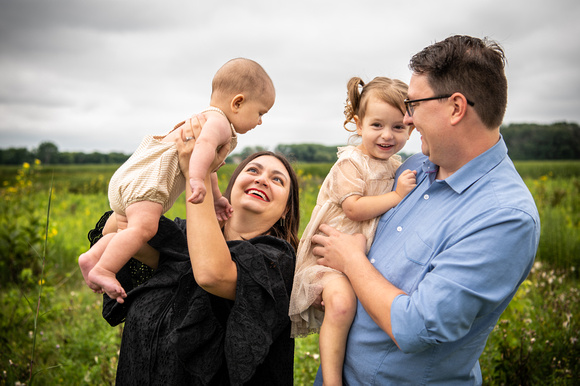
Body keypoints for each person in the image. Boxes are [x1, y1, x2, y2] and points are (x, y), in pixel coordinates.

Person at [312, 35, 541, 385]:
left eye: (413, 104)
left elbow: (417, 327)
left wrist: (350, 261)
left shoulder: (505, 216)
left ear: (455, 107)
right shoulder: (414, 166)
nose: (407, 118)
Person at [87, 116, 300, 384]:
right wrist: (167, 153)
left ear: (286, 210)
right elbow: (117, 226)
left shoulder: (276, 259)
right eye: (253, 171)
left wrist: (193, 174)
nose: (262, 180)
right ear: (230, 187)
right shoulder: (182, 236)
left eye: (277, 180)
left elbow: (211, 273)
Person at [79, 58, 276, 303]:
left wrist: (216, 198)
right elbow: (202, 149)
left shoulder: (204, 119)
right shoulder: (220, 124)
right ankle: (104, 269)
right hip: (147, 183)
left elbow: (210, 167)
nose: (259, 121)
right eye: (260, 113)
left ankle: (92, 257)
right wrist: (195, 179)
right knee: (144, 228)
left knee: (128, 231)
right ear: (238, 102)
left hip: (130, 176)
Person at [288, 76, 416, 385]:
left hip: (356, 256)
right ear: (358, 125)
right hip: (328, 255)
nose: (387, 135)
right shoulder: (351, 163)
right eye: (377, 125)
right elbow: (354, 208)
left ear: (411, 128)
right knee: (342, 304)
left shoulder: (395, 165)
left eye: (398, 127)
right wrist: (397, 196)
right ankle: (332, 380)